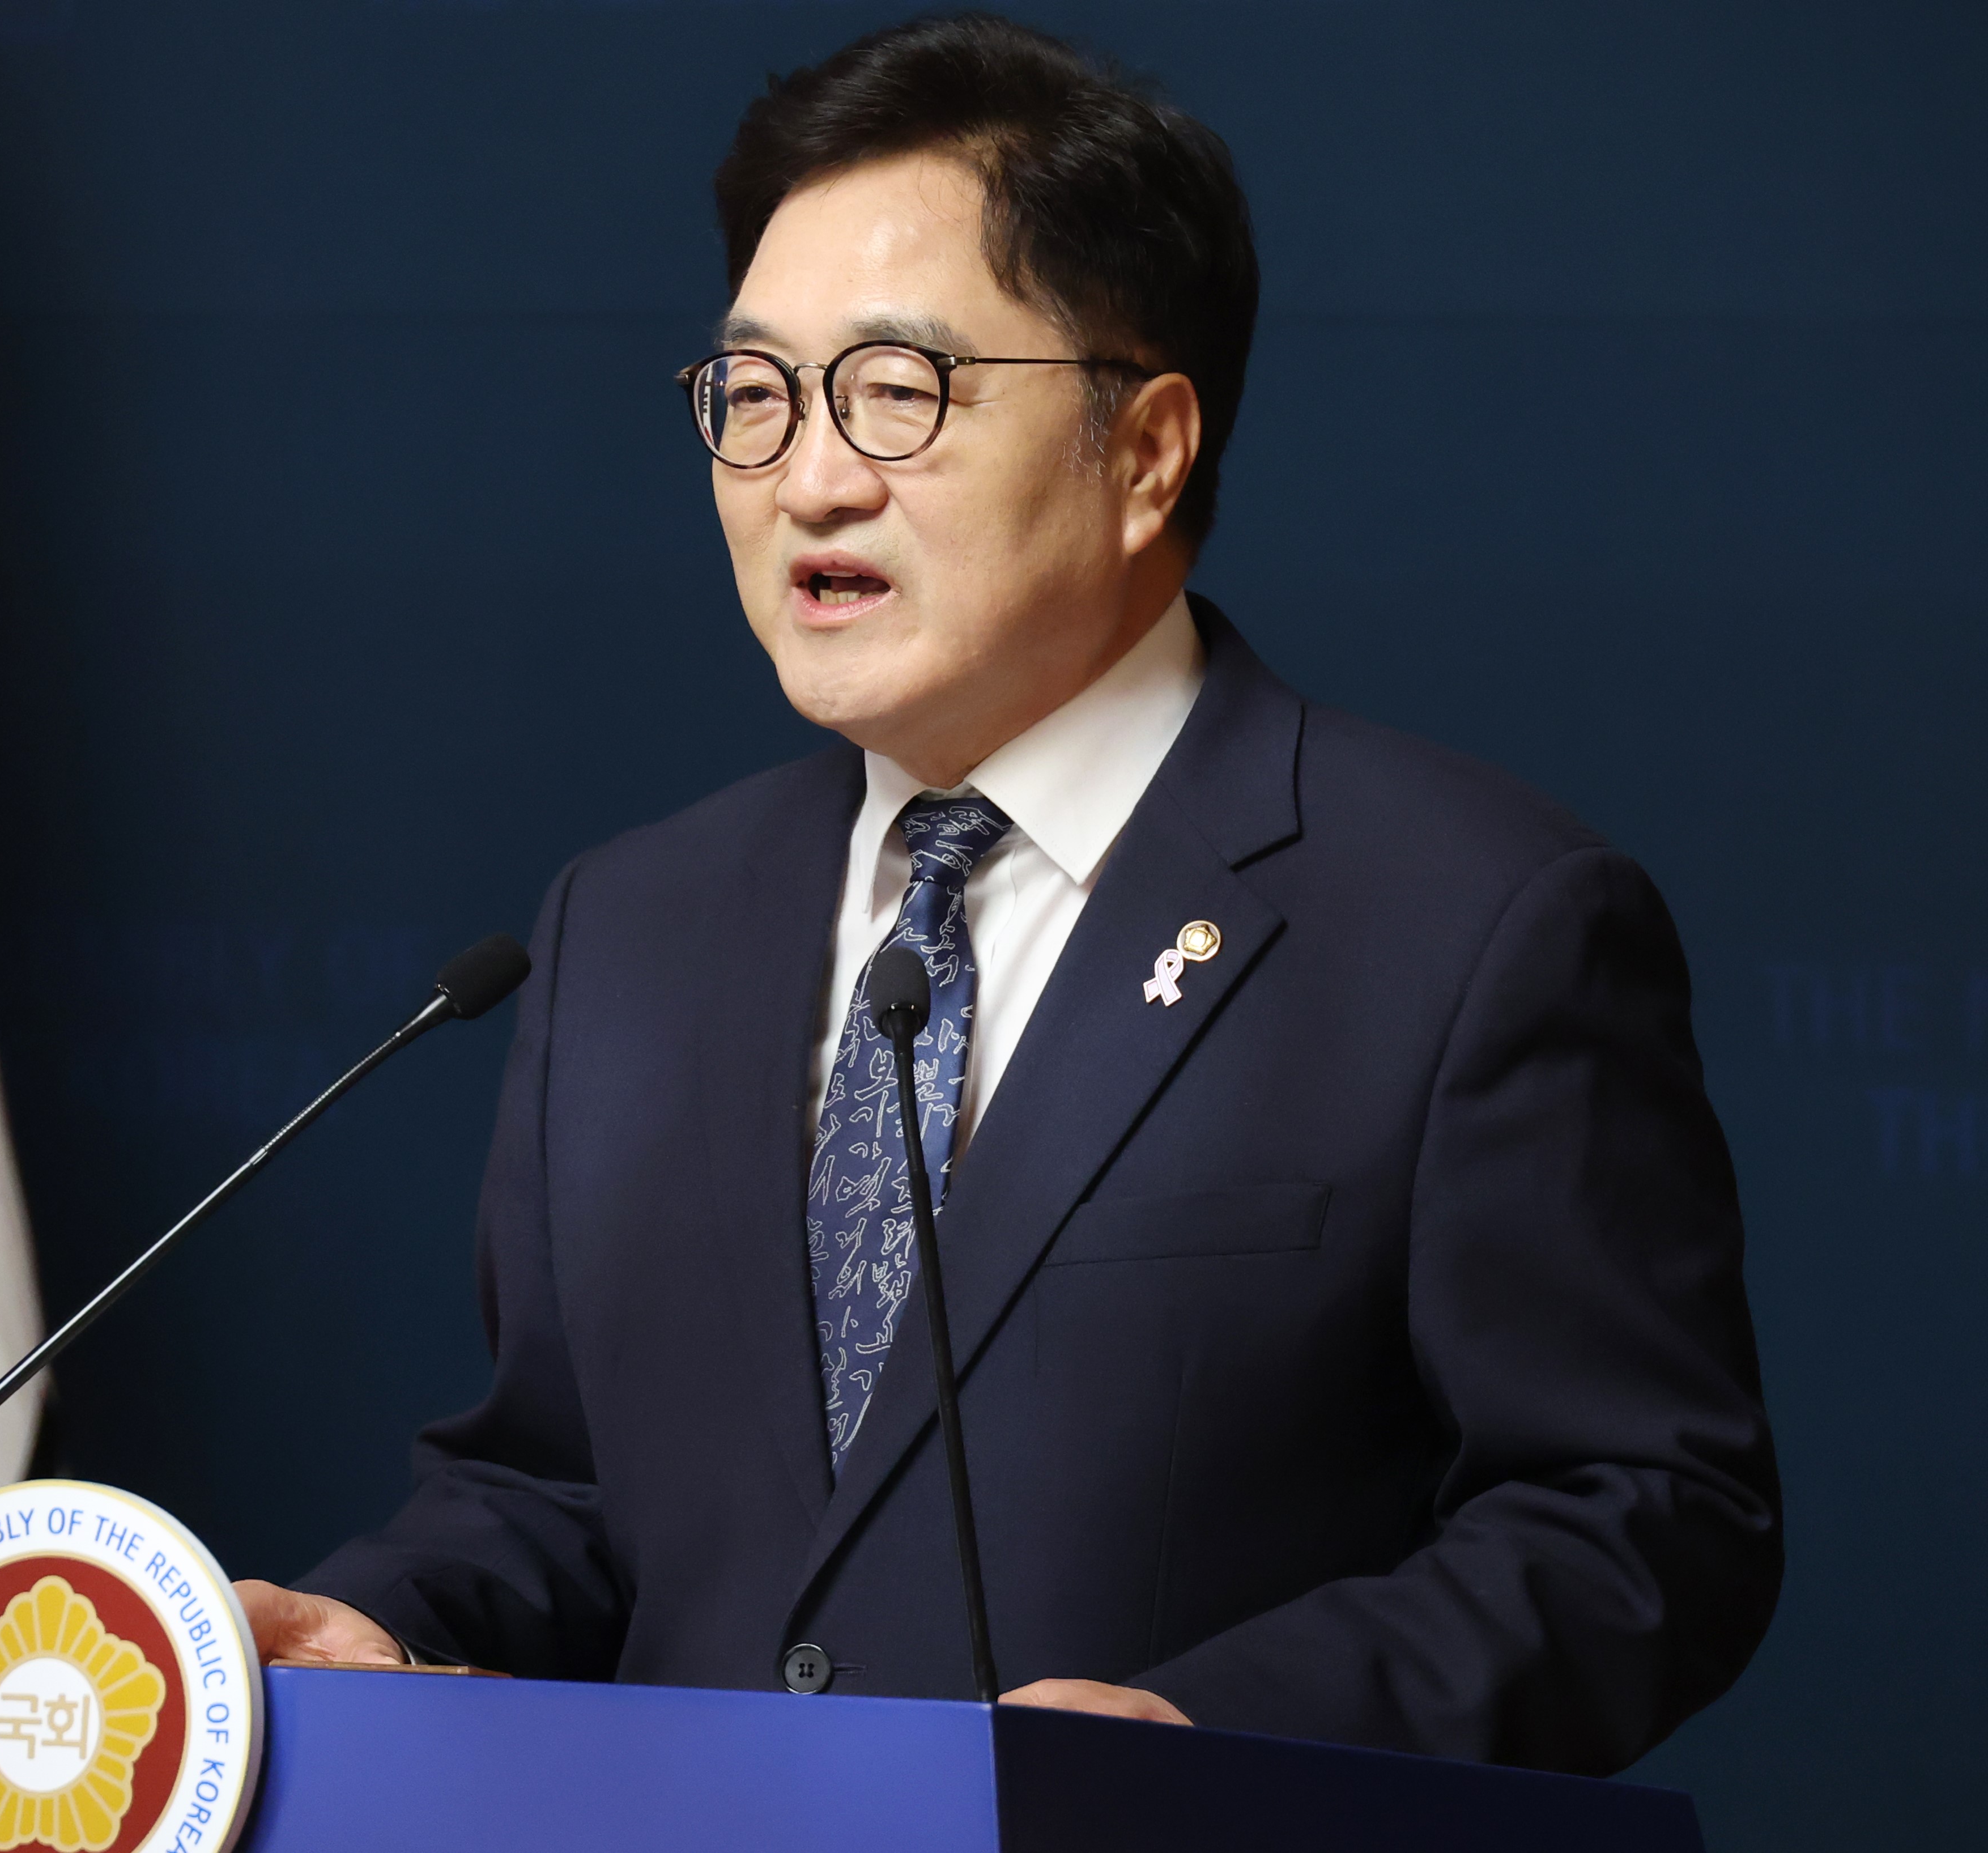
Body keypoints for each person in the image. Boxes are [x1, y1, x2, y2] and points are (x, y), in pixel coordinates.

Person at [236, 14, 1778, 1773]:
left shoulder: (1470, 921)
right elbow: (561, 1490)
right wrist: (390, 1627)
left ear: (1147, 450)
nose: (811, 477)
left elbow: (1643, 1515)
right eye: (756, 396)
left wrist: (1203, 1738)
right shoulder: (630, 929)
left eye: (900, 391)